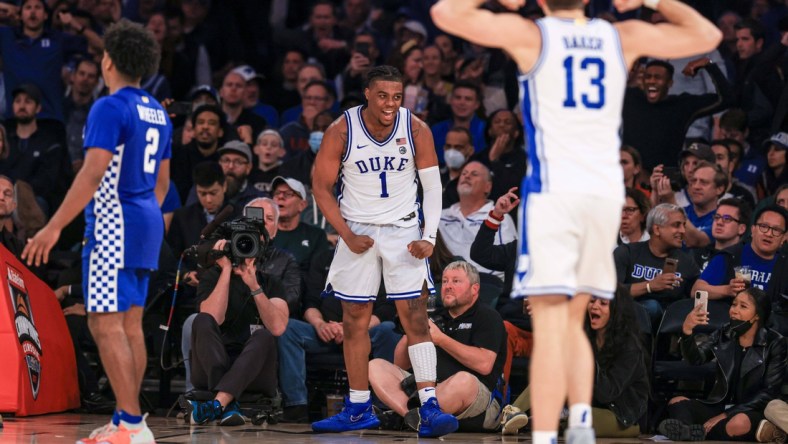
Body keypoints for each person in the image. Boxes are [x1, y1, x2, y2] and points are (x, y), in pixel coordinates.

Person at [431, 1, 721, 444]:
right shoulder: (619, 36)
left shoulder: (533, 35)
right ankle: (582, 416)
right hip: (601, 191)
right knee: (582, 318)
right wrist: (652, 2)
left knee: (554, 325)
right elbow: (708, 35)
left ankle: (548, 434)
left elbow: (445, 14)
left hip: (555, 191)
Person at [21, 20, 171, 444]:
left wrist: (52, 227)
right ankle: (128, 420)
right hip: (146, 221)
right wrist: (143, 214)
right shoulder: (157, 109)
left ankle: (131, 423)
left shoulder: (109, 107)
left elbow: (91, 174)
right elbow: (163, 184)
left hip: (114, 223)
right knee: (130, 325)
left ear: (107, 60)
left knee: (104, 325)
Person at [311, 65, 458, 437]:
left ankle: (429, 406)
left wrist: (429, 234)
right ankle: (358, 406)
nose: (390, 103)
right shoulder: (341, 130)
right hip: (357, 230)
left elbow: (434, 187)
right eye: (382, 95)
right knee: (354, 319)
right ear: (366, 93)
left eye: (397, 96)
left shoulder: (416, 128)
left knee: (416, 317)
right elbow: (320, 187)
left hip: (403, 228)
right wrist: (344, 233)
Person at [368, 261, 509, 433]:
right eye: (445, 281)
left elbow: (484, 365)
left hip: (476, 398)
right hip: (427, 393)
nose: (448, 286)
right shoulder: (435, 315)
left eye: (456, 281)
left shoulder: (488, 316)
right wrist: (413, 329)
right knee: (376, 366)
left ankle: (401, 417)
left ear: (474, 289)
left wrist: (441, 339)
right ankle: (414, 418)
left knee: (464, 380)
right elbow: (400, 363)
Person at [508, 287, 650, 438]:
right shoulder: (586, 333)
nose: (595, 306)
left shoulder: (630, 348)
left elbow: (607, 393)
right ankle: (512, 413)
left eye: (603, 303)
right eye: (592, 301)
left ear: (616, 310)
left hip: (621, 413)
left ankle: (632, 430)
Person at [658, 288, 787, 442]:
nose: (734, 311)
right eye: (734, 305)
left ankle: (693, 431)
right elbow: (696, 359)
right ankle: (693, 431)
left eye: (743, 306)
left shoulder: (775, 343)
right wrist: (687, 331)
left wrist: (726, 414)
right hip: (720, 404)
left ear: (757, 315)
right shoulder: (725, 333)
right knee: (677, 402)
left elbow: (769, 392)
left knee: (739, 423)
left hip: (750, 409)